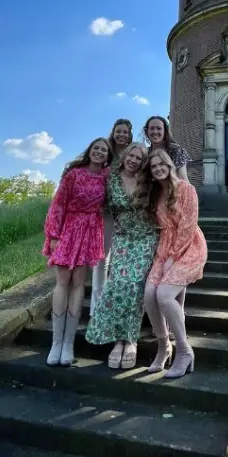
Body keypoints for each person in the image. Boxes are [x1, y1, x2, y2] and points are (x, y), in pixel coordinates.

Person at [85, 143, 157, 369]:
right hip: (122, 238)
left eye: (139, 157)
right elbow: (106, 214)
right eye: (131, 155)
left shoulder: (148, 181)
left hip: (145, 237)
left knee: (135, 285)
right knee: (117, 284)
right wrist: (104, 246)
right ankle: (118, 341)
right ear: (124, 156)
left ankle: (132, 340)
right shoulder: (111, 180)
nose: (134, 160)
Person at [42, 137, 112, 367]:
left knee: (79, 282)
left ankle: (69, 343)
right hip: (70, 228)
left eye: (103, 150)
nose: (99, 152)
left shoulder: (107, 177)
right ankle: (56, 342)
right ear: (89, 150)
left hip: (91, 230)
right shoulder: (74, 174)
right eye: (96, 148)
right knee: (63, 280)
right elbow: (58, 203)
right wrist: (53, 236)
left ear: (107, 156)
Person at [143, 149, 207, 379]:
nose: (158, 168)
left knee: (164, 295)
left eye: (161, 164)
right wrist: (164, 256)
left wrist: (172, 258)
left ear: (169, 165)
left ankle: (184, 350)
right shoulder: (157, 194)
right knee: (149, 293)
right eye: (153, 167)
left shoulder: (187, 189)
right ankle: (163, 345)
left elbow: (188, 227)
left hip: (189, 247)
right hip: (165, 247)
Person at [91, 119, 134, 316]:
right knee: (102, 258)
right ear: (113, 132)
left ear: (130, 134)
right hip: (107, 212)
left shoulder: (132, 154)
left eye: (125, 132)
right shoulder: (106, 154)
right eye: (118, 131)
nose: (121, 135)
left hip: (126, 213)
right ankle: (97, 307)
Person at [143, 116, 190, 182]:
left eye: (159, 128)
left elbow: (183, 179)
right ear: (147, 131)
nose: (155, 131)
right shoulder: (145, 152)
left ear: (165, 131)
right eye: (152, 128)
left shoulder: (175, 150)